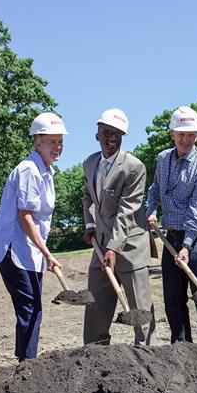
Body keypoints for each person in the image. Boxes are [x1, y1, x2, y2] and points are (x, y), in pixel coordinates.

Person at [0, 111, 66, 361]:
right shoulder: (29, 169)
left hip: (28, 250)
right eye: (52, 141)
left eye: (60, 141)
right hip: (12, 248)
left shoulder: (46, 172)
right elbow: (25, 217)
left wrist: (42, 254)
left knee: (33, 308)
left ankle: (25, 363)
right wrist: (48, 254)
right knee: (29, 307)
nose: (58, 147)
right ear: (36, 142)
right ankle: (26, 365)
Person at [146, 106, 197, 345]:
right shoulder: (163, 159)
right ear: (172, 134)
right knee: (173, 297)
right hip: (171, 236)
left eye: (191, 134)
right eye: (181, 134)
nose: (186, 139)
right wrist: (151, 209)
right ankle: (181, 348)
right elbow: (155, 189)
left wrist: (187, 246)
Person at [82, 108, 154, 346]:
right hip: (101, 243)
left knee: (139, 309)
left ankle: (146, 354)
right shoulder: (90, 163)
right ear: (97, 134)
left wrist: (114, 248)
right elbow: (87, 197)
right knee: (96, 305)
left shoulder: (133, 167)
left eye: (118, 135)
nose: (112, 139)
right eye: (107, 133)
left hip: (131, 245)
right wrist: (90, 224)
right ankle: (94, 353)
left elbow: (127, 210)